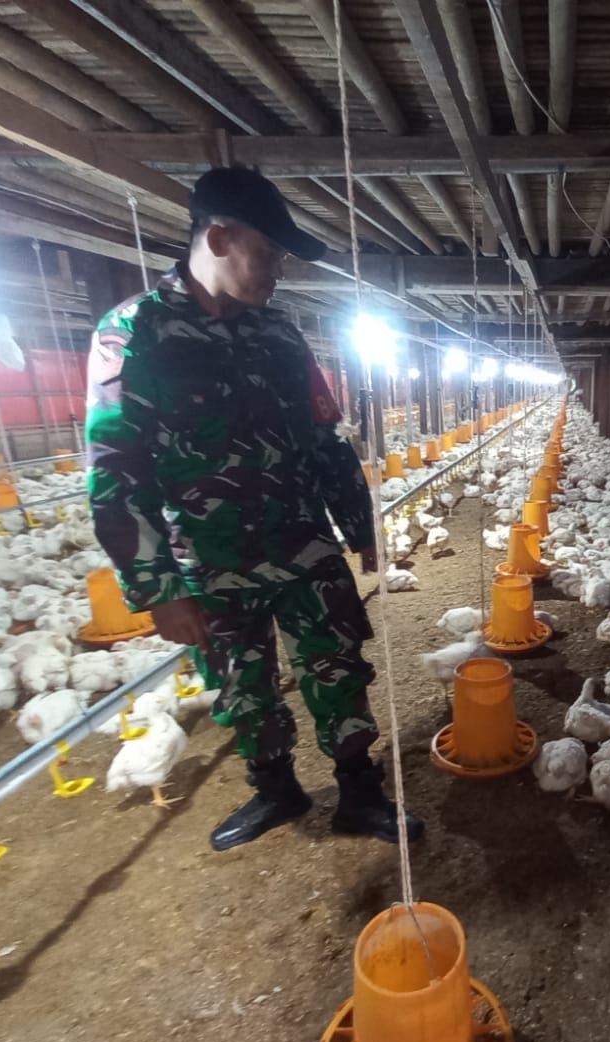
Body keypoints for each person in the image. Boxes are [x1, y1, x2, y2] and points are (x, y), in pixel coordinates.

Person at [85, 166, 423, 852]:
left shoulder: (280, 336)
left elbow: (323, 435)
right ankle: (274, 788)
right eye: (267, 252)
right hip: (208, 556)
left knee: (337, 663)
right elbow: (116, 469)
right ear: (218, 238)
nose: (278, 270)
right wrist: (157, 588)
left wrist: (360, 525)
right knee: (241, 682)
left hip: (302, 540)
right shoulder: (135, 333)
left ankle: (359, 791)